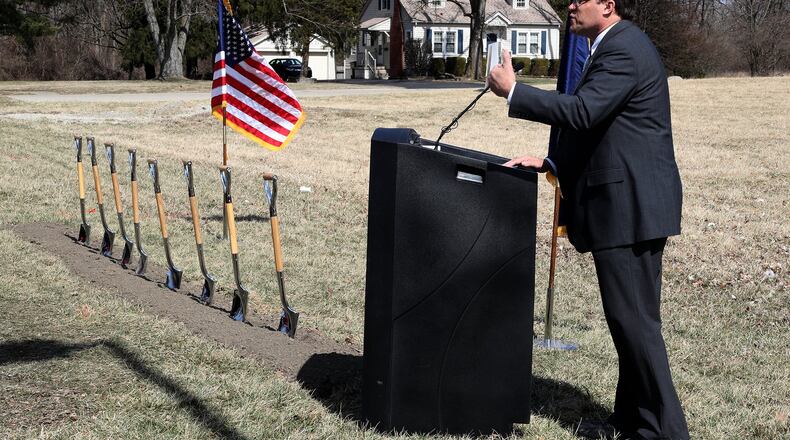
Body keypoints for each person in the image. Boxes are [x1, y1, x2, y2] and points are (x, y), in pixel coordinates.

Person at [487, 0, 690, 439]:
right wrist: (550, 160)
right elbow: (600, 127)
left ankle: (667, 432)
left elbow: (582, 112)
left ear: (609, 6)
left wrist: (515, 92)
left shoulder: (623, 48)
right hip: (625, 204)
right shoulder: (610, 45)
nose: (571, 5)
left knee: (635, 323)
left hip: (630, 207)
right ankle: (630, 423)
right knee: (629, 322)